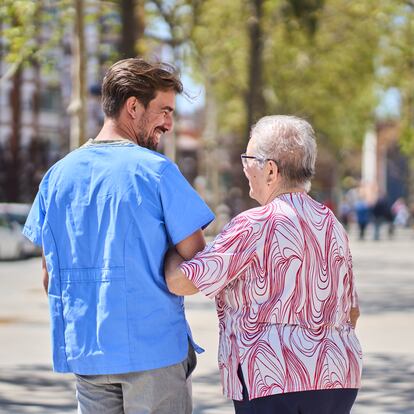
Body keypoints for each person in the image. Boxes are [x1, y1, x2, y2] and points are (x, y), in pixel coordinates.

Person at [23, 58, 214, 414]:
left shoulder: (56, 178)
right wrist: (171, 255)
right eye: (165, 111)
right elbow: (198, 264)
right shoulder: (157, 173)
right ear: (133, 106)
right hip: (153, 354)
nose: (170, 124)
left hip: (88, 353)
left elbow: (50, 275)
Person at [165, 115, 362, 414]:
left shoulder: (254, 224)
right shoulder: (331, 223)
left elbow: (181, 281)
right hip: (338, 375)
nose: (244, 168)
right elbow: (352, 311)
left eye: (248, 158)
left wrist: (169, 248)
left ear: (270, 169)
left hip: (271, 378)